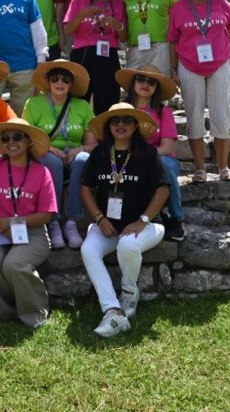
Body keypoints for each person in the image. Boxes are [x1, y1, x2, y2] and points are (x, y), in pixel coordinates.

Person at [80, 102, 168, 338]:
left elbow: (163, 190)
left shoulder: (147, 153)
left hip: (148, 225)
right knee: (88, 249)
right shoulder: (99, 154)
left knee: (127, 244)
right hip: (107, 225)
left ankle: (129, 292)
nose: (120, 126)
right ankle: (113, 310)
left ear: (135, 126)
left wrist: (142, 220)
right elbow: (86, 188)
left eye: (126, 121)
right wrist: (98, 218)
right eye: (115, 121)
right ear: (108, 126)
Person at [0, 118, 57, 329]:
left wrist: (13, 222)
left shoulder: (41, 172)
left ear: (28, 142)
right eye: (6, 138)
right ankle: (4, 310)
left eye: (17, 137)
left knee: (14, 264)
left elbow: (46, 215)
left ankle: (34, 312)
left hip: (33, 234)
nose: (11, 141)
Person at [167, 0, 230, 183]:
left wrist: (225, 50)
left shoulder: (221, 4)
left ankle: (223, 166)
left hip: (219, 65)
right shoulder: (178, 8)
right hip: (189, 65)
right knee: (194, 117)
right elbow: (173, 40)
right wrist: (173, 69)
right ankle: (200, 168)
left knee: (221, 115)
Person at [23, 60, 96, 249]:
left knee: (83, 160)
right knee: (53, 163)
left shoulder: (82, 106)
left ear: (71, 84)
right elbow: (26, 137)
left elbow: (92, 143)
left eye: (65, 79)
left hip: (74, 152)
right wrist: (48, 147)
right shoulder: (33, 103)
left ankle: (72, 221)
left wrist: (79, 150)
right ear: (48, 82)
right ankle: (54, 221)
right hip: (45, 152)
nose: (60, 82)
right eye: (55, 78)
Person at [116, 65, 185, 241]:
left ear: (156, 88)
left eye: (151, 82)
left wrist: (143, 156)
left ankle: (176, 219)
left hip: (160, 159)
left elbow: (168, 147)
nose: (145, 84)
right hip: (126, 159)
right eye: (141, 79)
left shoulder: (164, 112)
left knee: (165, 166)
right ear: (133, 83)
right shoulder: (121, 109)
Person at [63, 0, 127, 114]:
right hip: (81, 54)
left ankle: (104, 136)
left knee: (108, 101)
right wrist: (81, 15)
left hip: (108, 55)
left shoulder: (118, 4)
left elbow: (124, 38)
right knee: (78, 100)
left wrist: (115, 24)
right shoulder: (77, 2)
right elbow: (68, 31)